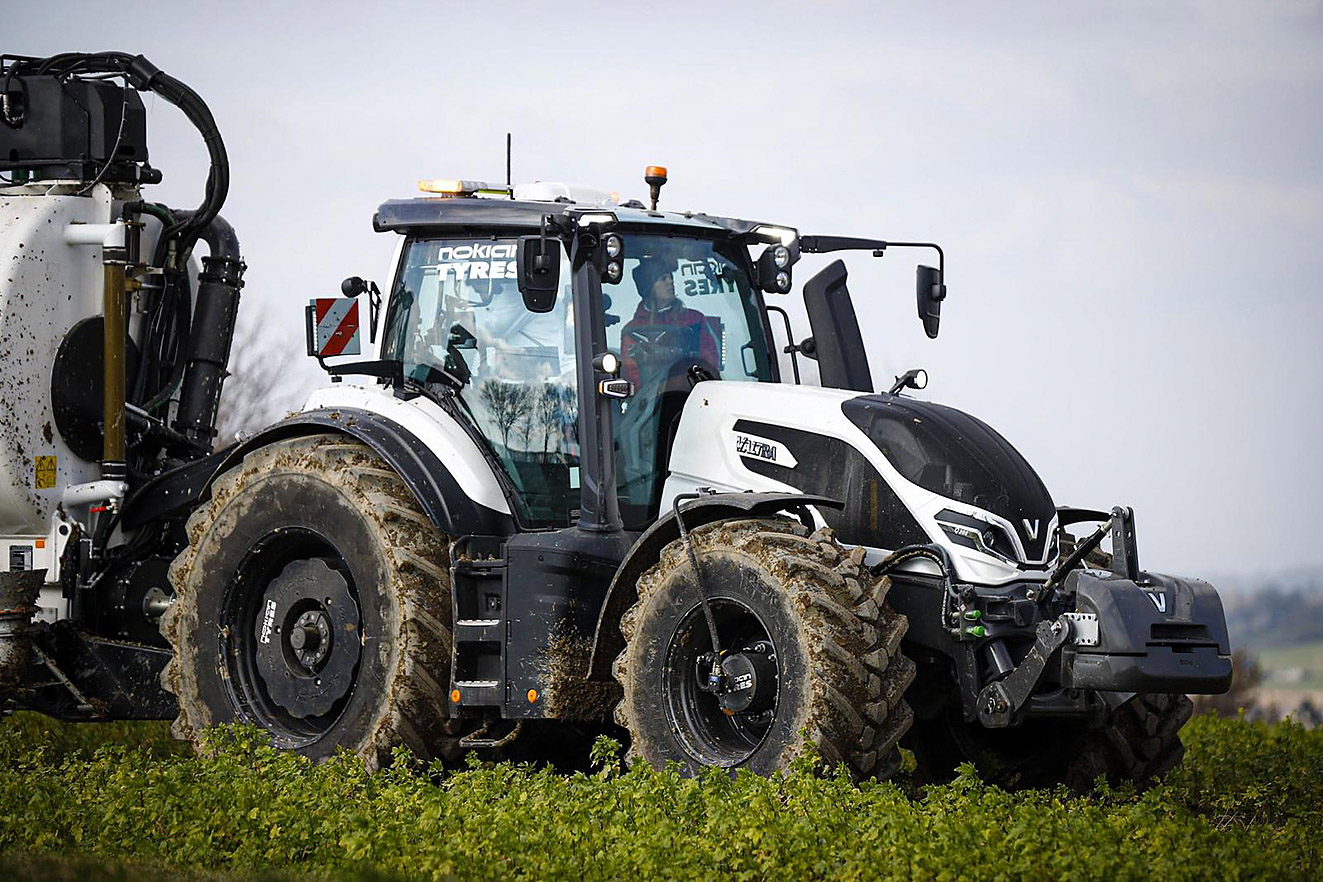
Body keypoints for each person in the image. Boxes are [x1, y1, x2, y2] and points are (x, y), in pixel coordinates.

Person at [619, 258, 720, 387]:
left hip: (690, 390)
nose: (670, 282)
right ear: (648, 286)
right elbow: (632, 371)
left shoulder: (694, 319)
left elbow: (709, 359)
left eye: (670, 277)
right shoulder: (633, 330)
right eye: (663, 278)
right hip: (651, 401)